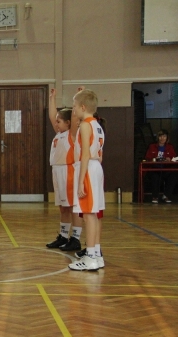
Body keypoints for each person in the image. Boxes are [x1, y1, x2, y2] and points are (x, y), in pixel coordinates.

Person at [68, 89, 106, 271]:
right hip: (96, 169)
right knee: (94, 214)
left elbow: (84, 155)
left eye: (75, 106)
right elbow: (99, 155)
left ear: (83, 107)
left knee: (89, 215)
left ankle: (90, 257)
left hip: (88, 170)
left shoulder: (85, 125)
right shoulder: (98, 125)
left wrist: (81, 179)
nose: (73, 110)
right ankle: (96, 254)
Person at [45, 88, 83, 251]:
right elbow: (52, 116)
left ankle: (75, 238)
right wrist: (52, 98)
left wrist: (79, 98)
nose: (56, 123)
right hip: (57, 171)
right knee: (63, 207)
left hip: (69, 172)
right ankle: (63, 235)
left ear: (68, 123)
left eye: (60, 121)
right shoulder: (59, 133)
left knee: (73, 206)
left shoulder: (72, 134)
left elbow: (75, 118)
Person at [144, 129, 177, 203]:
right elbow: (147, 157)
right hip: (155, 169)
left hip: (166, 169)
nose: (162, 138)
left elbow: (174, 157)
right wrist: (154, 159)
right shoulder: (152, 146)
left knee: (174, 175)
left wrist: (169, 159)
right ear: (158, 137)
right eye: (161, 136)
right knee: (154, 177)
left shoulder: (170, 147)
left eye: (164, 136)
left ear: (167, 138)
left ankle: (166, 196)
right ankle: (155, 196)